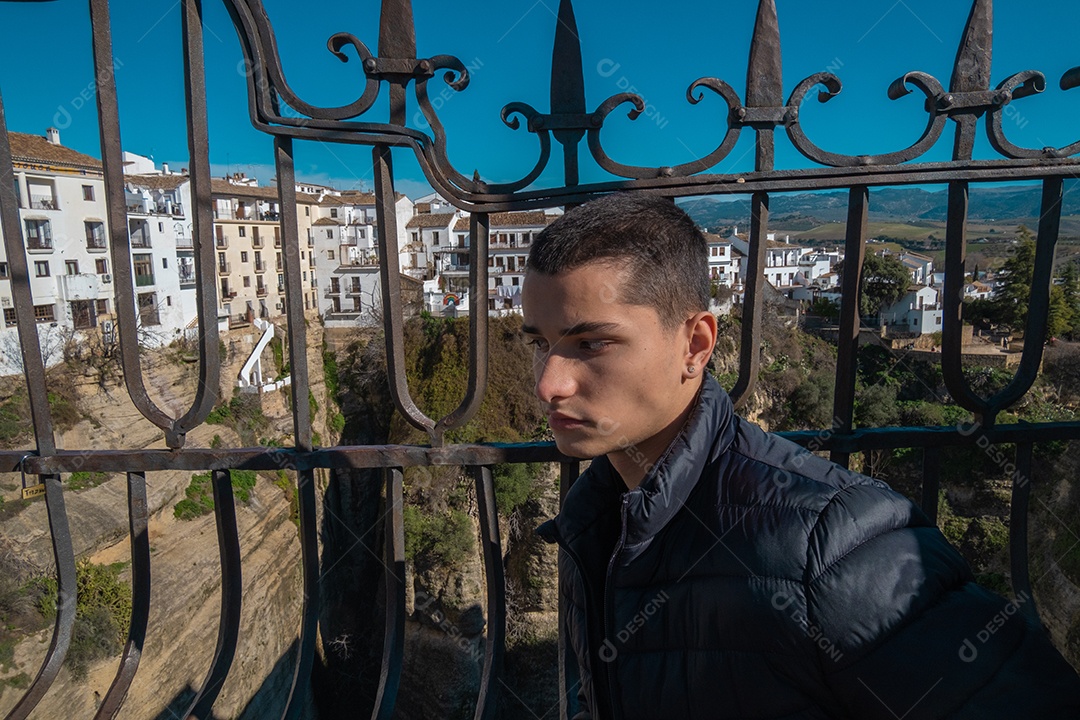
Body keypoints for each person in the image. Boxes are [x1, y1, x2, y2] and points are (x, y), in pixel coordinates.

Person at [522, 193, 1080, 720]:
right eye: (539, 343)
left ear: (695, 345)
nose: (549, 384)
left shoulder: (834, 539)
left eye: (591, 344)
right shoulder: (593, 518)